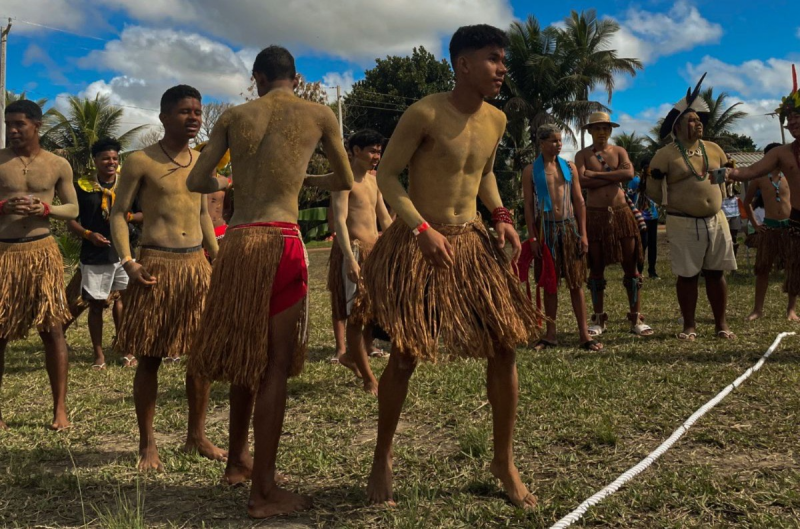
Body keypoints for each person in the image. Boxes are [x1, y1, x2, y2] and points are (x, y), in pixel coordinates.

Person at [356, 25, 541, 510]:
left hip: (471, 244)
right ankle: (382, 456)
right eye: (493, 58)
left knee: (504, 349)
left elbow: (482, 174)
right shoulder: (425, 112)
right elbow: (389, 177)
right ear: (463, 63)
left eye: (503, 59)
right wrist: (420, 229)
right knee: (404, 355)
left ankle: (503, 460)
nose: (503, 68)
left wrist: (500, 216)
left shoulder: (497, 120)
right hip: (420, 242)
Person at [186, 46, 353, 518]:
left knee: (244, 358)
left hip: (238, 243)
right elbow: (343, 177)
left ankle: (238, 462)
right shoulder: (318, 114)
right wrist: (302, 178)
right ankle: (263, 491)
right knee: (275, 366)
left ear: (257, 76)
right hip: (280, 239)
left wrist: (235, 182)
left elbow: (198, 180)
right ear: (295, 79)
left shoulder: (236, 115)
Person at [110, 85, 225, 471]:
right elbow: (118, 214)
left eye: (197, 111)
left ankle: (197, 436)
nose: (193, 117)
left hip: (195, 266)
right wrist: (128, 262)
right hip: (154, 267)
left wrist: (217, 257)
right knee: (150, 357)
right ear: (163, 117)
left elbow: (203, 214)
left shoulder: (203, 161)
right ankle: (148, 444)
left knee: (201, 357)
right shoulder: (140, 161)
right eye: (184, 112)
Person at [0, 99, 78, 430]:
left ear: (37, 125)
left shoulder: (57, 164)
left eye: (19, 124)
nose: (13, 130)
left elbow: (73, 209)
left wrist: (47, 210)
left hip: (42, 252)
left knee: (53, 330)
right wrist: (2, 205)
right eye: (8, 124)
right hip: (3, 254)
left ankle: (59, 410)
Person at [647, 74, 736, 341]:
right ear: (677, 127)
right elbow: (652, 191)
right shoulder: (665, 155)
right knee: (687, 275)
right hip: (683, 220)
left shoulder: (714, 149)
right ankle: (689, 325)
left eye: (699, 120)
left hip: (716, 219)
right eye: (691, 120)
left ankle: (721, 324)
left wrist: (729, 173)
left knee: (716, 272)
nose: (698, 124)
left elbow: (724, 177)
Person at [63, 137, 142, 369]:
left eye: (115, 158)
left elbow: (143, 214)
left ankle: (128, 349)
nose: (111, 162)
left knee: (126, 301)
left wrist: (126, 218)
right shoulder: (82, 188)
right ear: (95, 160)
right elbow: (70, 220)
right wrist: (89, 235)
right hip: (95, 256)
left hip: (124, 253)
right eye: (106, 158)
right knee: (96, 305)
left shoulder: (127, 186)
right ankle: (99, 355)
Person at [728, 65, 800, 314]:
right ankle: (758, 309)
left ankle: (791, 309)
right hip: (791, 221)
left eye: (797, 118)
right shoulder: (782, 153)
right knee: (770, 267)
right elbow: (750, 171)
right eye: (789, 120)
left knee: (796, 267)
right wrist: (730, 172)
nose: (793, 123)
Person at [521, 124, 600, 351]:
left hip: (569, 230)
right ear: (541, 143)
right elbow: (528, 206)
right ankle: (550, 334)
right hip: (545, 231)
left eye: (560, 140)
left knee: (576, 283)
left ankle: (585, 335)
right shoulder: (530, 171)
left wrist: (583, 234)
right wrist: (533, 238)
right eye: (554, 141)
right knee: (550, 284)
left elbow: (579, 201)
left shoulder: (569, 168)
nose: (558, 144)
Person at [327, 129, 393, 394]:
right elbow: (341, 221)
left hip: (374, 253)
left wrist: (399, 245)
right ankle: (368, 378)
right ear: (355, 151)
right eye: (372, 150)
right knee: (355, 316)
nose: (376, 156)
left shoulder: (374, 182)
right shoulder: (343, 181)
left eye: (379, 151)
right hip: (352, 252)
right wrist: (349, 259)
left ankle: (353, 357)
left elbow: (385, 219)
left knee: (374, 313)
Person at [576, 112, 653, 337]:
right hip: (595, 216)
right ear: (590, 130)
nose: (602, 132)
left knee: (631, 266)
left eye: (605, 128)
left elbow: (629, 173)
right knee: (596, 267)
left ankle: (636, 317)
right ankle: (598, 319)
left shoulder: (619, 151)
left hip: (621, 214)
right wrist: (613, 176)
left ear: (610, 131)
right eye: (597, 128)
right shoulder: (582, 155)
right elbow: (580, 180)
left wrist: (595, 175)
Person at [740, 143, 796, 321]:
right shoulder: (759, 178)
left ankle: (791, 310)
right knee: (763, 269)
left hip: (790, 227)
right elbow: (747, 201)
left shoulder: (791, 175)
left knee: (793, 269)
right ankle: (757, 310)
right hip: (769, 228)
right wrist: (755, 224)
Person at [628, 159, 660, 279]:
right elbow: (629, 197)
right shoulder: (635, 181)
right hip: (641, 216)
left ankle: (652, 271)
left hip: (653, 216)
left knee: (653, 244)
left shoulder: (654, 181)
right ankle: (639, 270)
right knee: (643, 244)